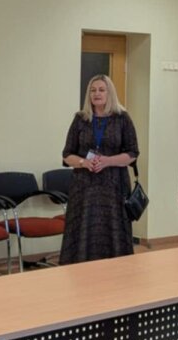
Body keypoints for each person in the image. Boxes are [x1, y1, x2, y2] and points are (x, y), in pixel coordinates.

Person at [58, 75, 140, 263]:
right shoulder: (80, 119)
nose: (97, 94)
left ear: (110, 93)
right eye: (93, 90)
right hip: (84, 188)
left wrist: (107, 161)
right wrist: (83, 162)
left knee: (113, 233)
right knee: (83, 232)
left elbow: (133, 153)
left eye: (101, 90)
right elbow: (66, 155)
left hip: (114, 187)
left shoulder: (122, 118)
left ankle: (116, 271)